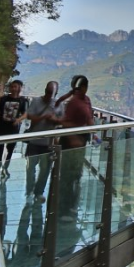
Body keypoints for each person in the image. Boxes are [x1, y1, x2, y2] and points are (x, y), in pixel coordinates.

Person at [53, 75, 94, 213]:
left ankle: (72, 204)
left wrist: (94, 133)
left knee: (77, 173)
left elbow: (89, 118)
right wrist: (72, 137)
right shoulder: (73, 103)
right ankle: (64, 207)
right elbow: (65, 123)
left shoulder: (86, 100)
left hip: (82, 141)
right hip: (70, 142)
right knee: (67, 175)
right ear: (83, 87)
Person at [23, 80, 63, 198]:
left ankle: (39, 192)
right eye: (48, 92)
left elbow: (62, 121)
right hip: (34, 141)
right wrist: (43, 117)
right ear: (45, 90)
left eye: (52, 93)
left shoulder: (59, 105)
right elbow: (30, 118)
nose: (49, 95)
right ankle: (29, 190)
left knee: (45, 170)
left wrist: (54, 120)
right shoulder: (36, 101)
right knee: (30, 168)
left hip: (49, 142)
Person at [0, 80, 28, 175]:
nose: (13, 89)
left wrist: (18, 120)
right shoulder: (3, 99)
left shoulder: (23, 100)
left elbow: (25, 114)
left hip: (13, 128)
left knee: (10, 149)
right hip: (1, 126)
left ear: (20, 88)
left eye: (15, 86)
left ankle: (5, 168)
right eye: (12, 86)